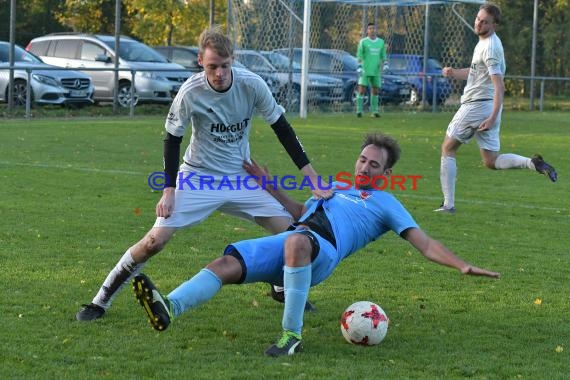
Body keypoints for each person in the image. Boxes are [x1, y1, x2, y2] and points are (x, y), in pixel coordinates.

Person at [132, 132, 500, 357]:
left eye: (374, 165)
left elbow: (425, 243)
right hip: (297, 238)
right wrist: (267, 183)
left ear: (386, 174)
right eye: (362, 159)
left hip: (322, 251)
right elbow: (298, 213)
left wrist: (462, 265)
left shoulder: (388, 204)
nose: (364, 167)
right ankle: (170, 307)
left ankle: (291, 336)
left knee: (296, 241)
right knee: (225, 264)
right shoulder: (335, 188)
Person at [75, 26, 330, 321]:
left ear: (232, 59)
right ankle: (100, 301)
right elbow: (172, 139)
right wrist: (169, 191)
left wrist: (311, 176)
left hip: (241, 176)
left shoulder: (252, 84)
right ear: (200, 61)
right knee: (154, 241)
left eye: (224, 65)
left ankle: (282, 288)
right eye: (212, 66)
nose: (219, 73)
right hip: (198, 178)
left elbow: (283, 129)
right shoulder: (191, 92)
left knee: (292, 232)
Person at [436, 2, 557, 213]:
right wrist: (454, 72)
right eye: (478, 19)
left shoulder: (490, 47)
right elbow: (476, 73)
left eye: (485, 21)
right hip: (487, 106)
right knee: (491, 161)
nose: (479, 23)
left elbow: (498, 85)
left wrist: (491, 117)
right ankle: (533, 163)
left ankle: (448, 205)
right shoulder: (485, 43)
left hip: (476, 106)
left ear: (494, 25)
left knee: (448, 148)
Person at [355, 22, 387, 118]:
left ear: (376, 30)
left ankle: (374, 112)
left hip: (376, 70)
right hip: (365, 70)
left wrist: (385, 64)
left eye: (373, 28)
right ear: (367, 31)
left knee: (375, 90)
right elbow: (359, 55)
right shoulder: (363, 42)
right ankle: (359, 111)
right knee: (361, 90)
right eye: (370, 28)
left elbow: (383, 55)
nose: (372, 30)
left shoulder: (381, 42)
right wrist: (359, 66)